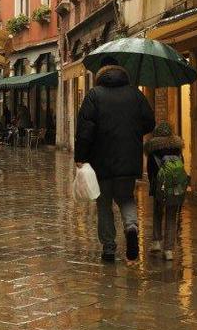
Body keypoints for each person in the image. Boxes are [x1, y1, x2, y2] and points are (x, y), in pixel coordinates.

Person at [74, 56, 155, 262]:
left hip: (100, 162)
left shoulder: (94, 95)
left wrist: (80, 157)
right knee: (126, 198)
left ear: (101, 73)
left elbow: (85, 130)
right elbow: (149, 122)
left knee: (104, 204)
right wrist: (133, 131)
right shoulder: (135, 94)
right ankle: (131, 227)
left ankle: (109, 248)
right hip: (128, 160)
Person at [144, 121, 186, 261]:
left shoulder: (153, 149)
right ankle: (168, 250)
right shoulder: (177, 148)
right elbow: (182, 167)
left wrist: (153, 186)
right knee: (171, 215)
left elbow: (150, 171)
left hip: (159, 187)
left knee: (157, 211)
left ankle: (156, 242)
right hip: (174, 187)